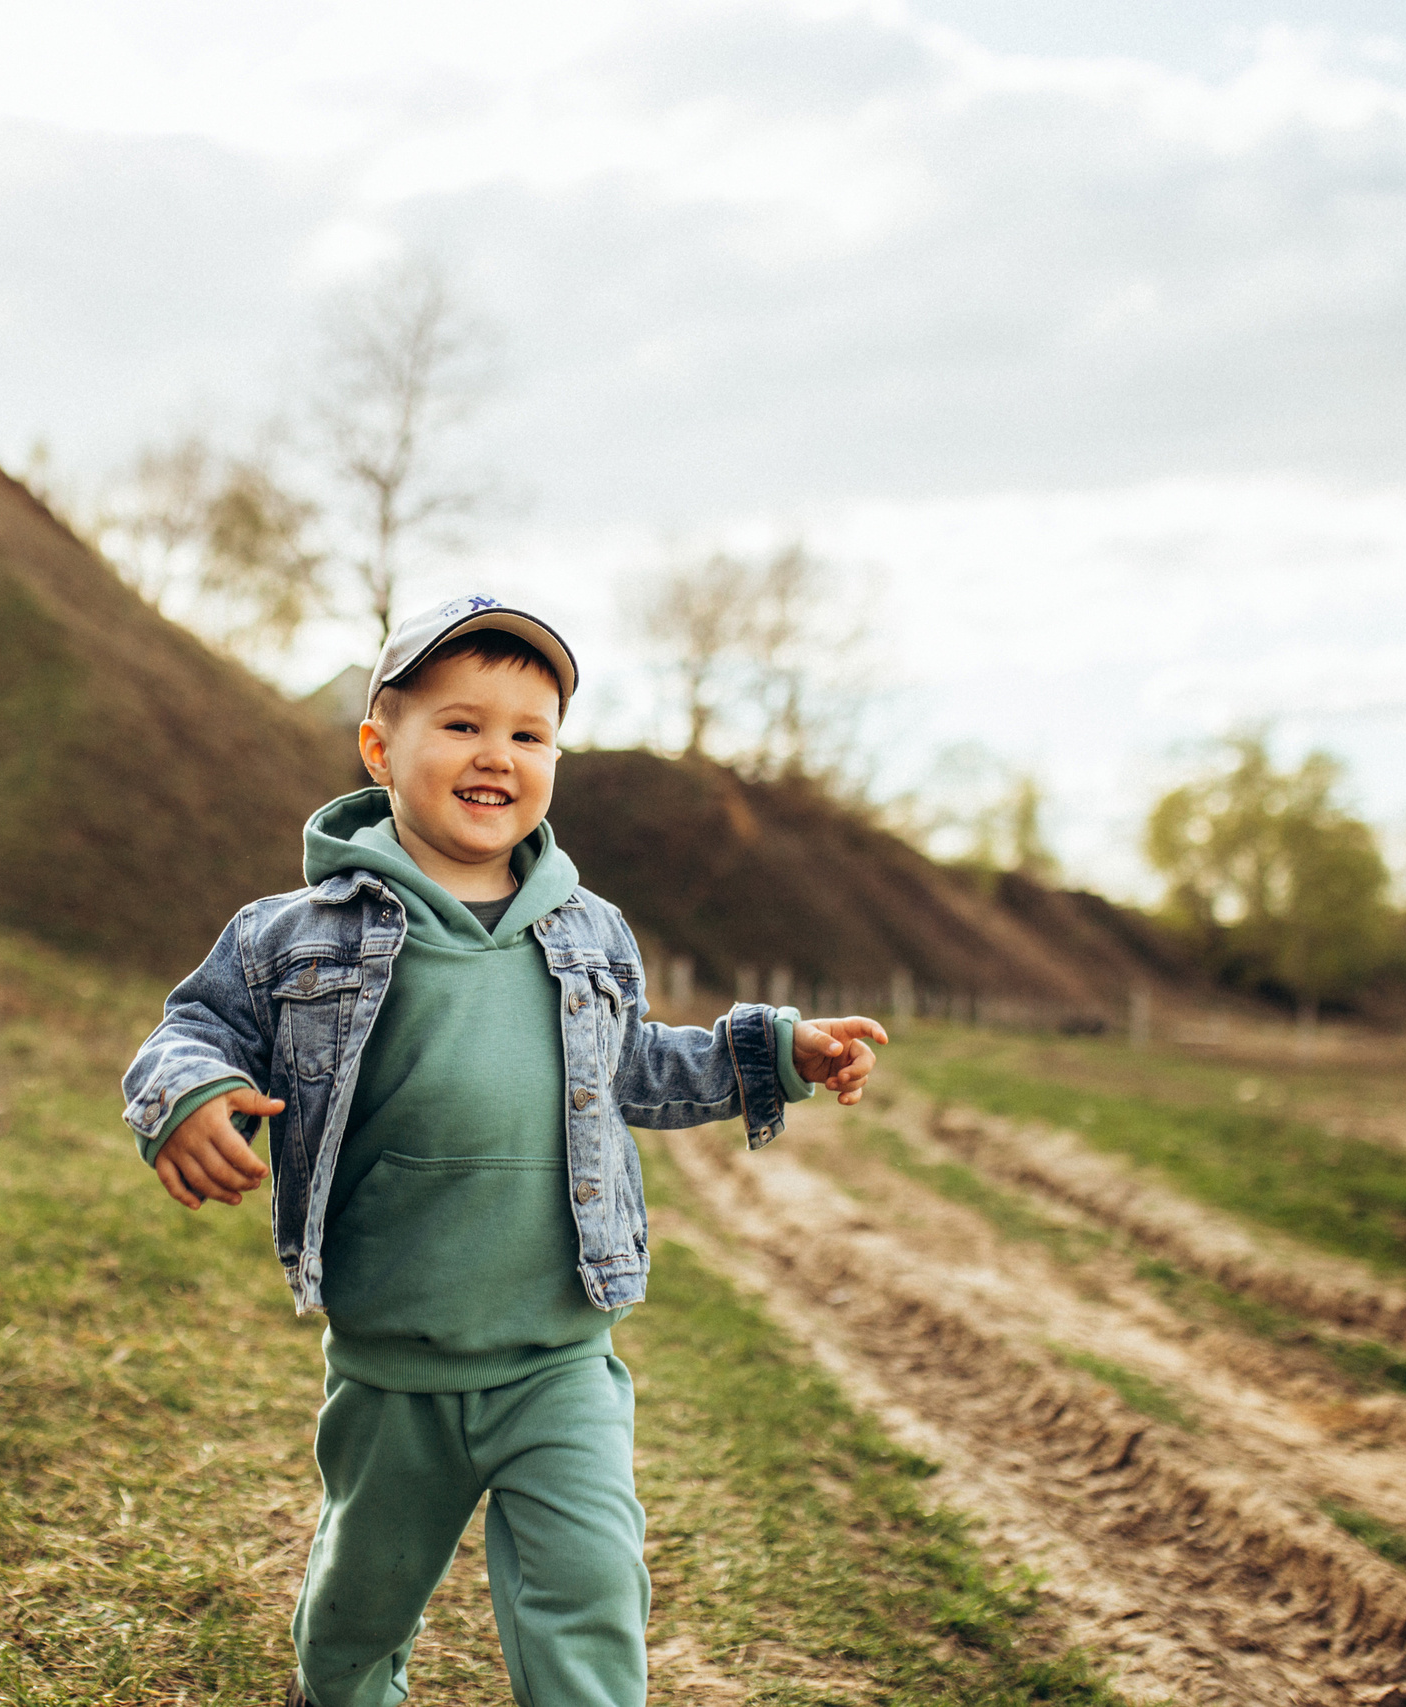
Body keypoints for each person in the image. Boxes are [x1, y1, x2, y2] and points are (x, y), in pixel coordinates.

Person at [120, 595, 886, 1707]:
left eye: (530, 734)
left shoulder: (589, 931)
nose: (498, 756)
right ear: (382, 746)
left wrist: (772, 1052)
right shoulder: (294, 932)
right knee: (358, 1615)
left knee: (588, 1596)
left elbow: (638, 1069)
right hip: (395, 1363)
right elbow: (190, 1029)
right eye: (462, 725)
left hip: (560, 1354)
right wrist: (191, 1094)